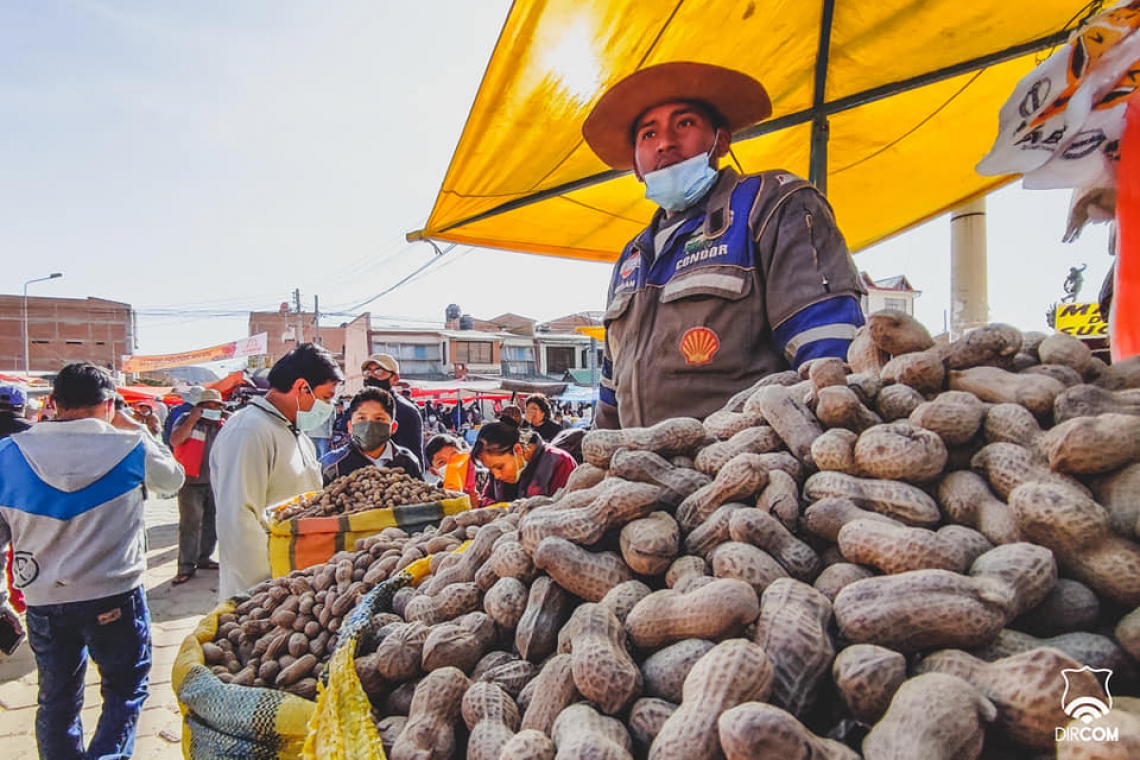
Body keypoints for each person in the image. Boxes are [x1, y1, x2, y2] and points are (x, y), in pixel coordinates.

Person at [581, 61, 866, 429]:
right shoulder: (631, 258)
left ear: (721, 139)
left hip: (748, 461)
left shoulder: (771, 204)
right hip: (643, 475)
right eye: (648, 135)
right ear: (636, 166)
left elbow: (829, 358)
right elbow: (610, 397)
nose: (665, 142)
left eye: (684, 124)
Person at [0, 362, 185, 760]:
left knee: (57, 697)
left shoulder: (7, 453)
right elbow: (173, 480)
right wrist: (132, 426)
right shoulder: (130, 446)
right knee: (125, 688)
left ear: (51, 402)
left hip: (43, 597)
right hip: (114, 593)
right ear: (109, 404)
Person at [210, 343, 342, 600]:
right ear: (302, 387)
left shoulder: (297, 435)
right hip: (264, 590)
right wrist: (268, 587)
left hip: (298, 582)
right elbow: (238, 521)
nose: (329, 407)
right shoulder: (249, 431)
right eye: (327, 397)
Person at [169, 387, 228, 585]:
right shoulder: (186, 420)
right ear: (199, 408)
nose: (213, 410)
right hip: (190, 482)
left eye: (216, 407)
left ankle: (204, 557)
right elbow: (175, 440)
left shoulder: (222, 425)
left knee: (212, 522)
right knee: (190, 524)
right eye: (208, 407)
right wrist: (193, 419)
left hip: (214, 481)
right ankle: (186, 566)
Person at [319, 387, 422, 484]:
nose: (369, 426)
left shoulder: (408, 460)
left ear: (393, 427)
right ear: (350, 427)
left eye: (379, 419)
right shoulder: (331, 464)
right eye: (362, 418)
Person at [472, 417, 576, 505]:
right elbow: (487, 498)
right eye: (491, 470)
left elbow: (564, 509)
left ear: (518, 450)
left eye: (499, 467)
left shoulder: (560, 463)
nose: (497, 476)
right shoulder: (496, 473)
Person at [361, 354, 425, 467]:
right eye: (367, 372)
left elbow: (411, 458)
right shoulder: (358, 407)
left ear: (395, 379)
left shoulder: (406, 412)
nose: (371, 376)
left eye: (379, 372)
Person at [424, 433, 482, 506]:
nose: (451, 465)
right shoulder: (433, 494)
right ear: (434, 471)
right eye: (442, 462)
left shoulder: (485, 479)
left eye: (455, 457)